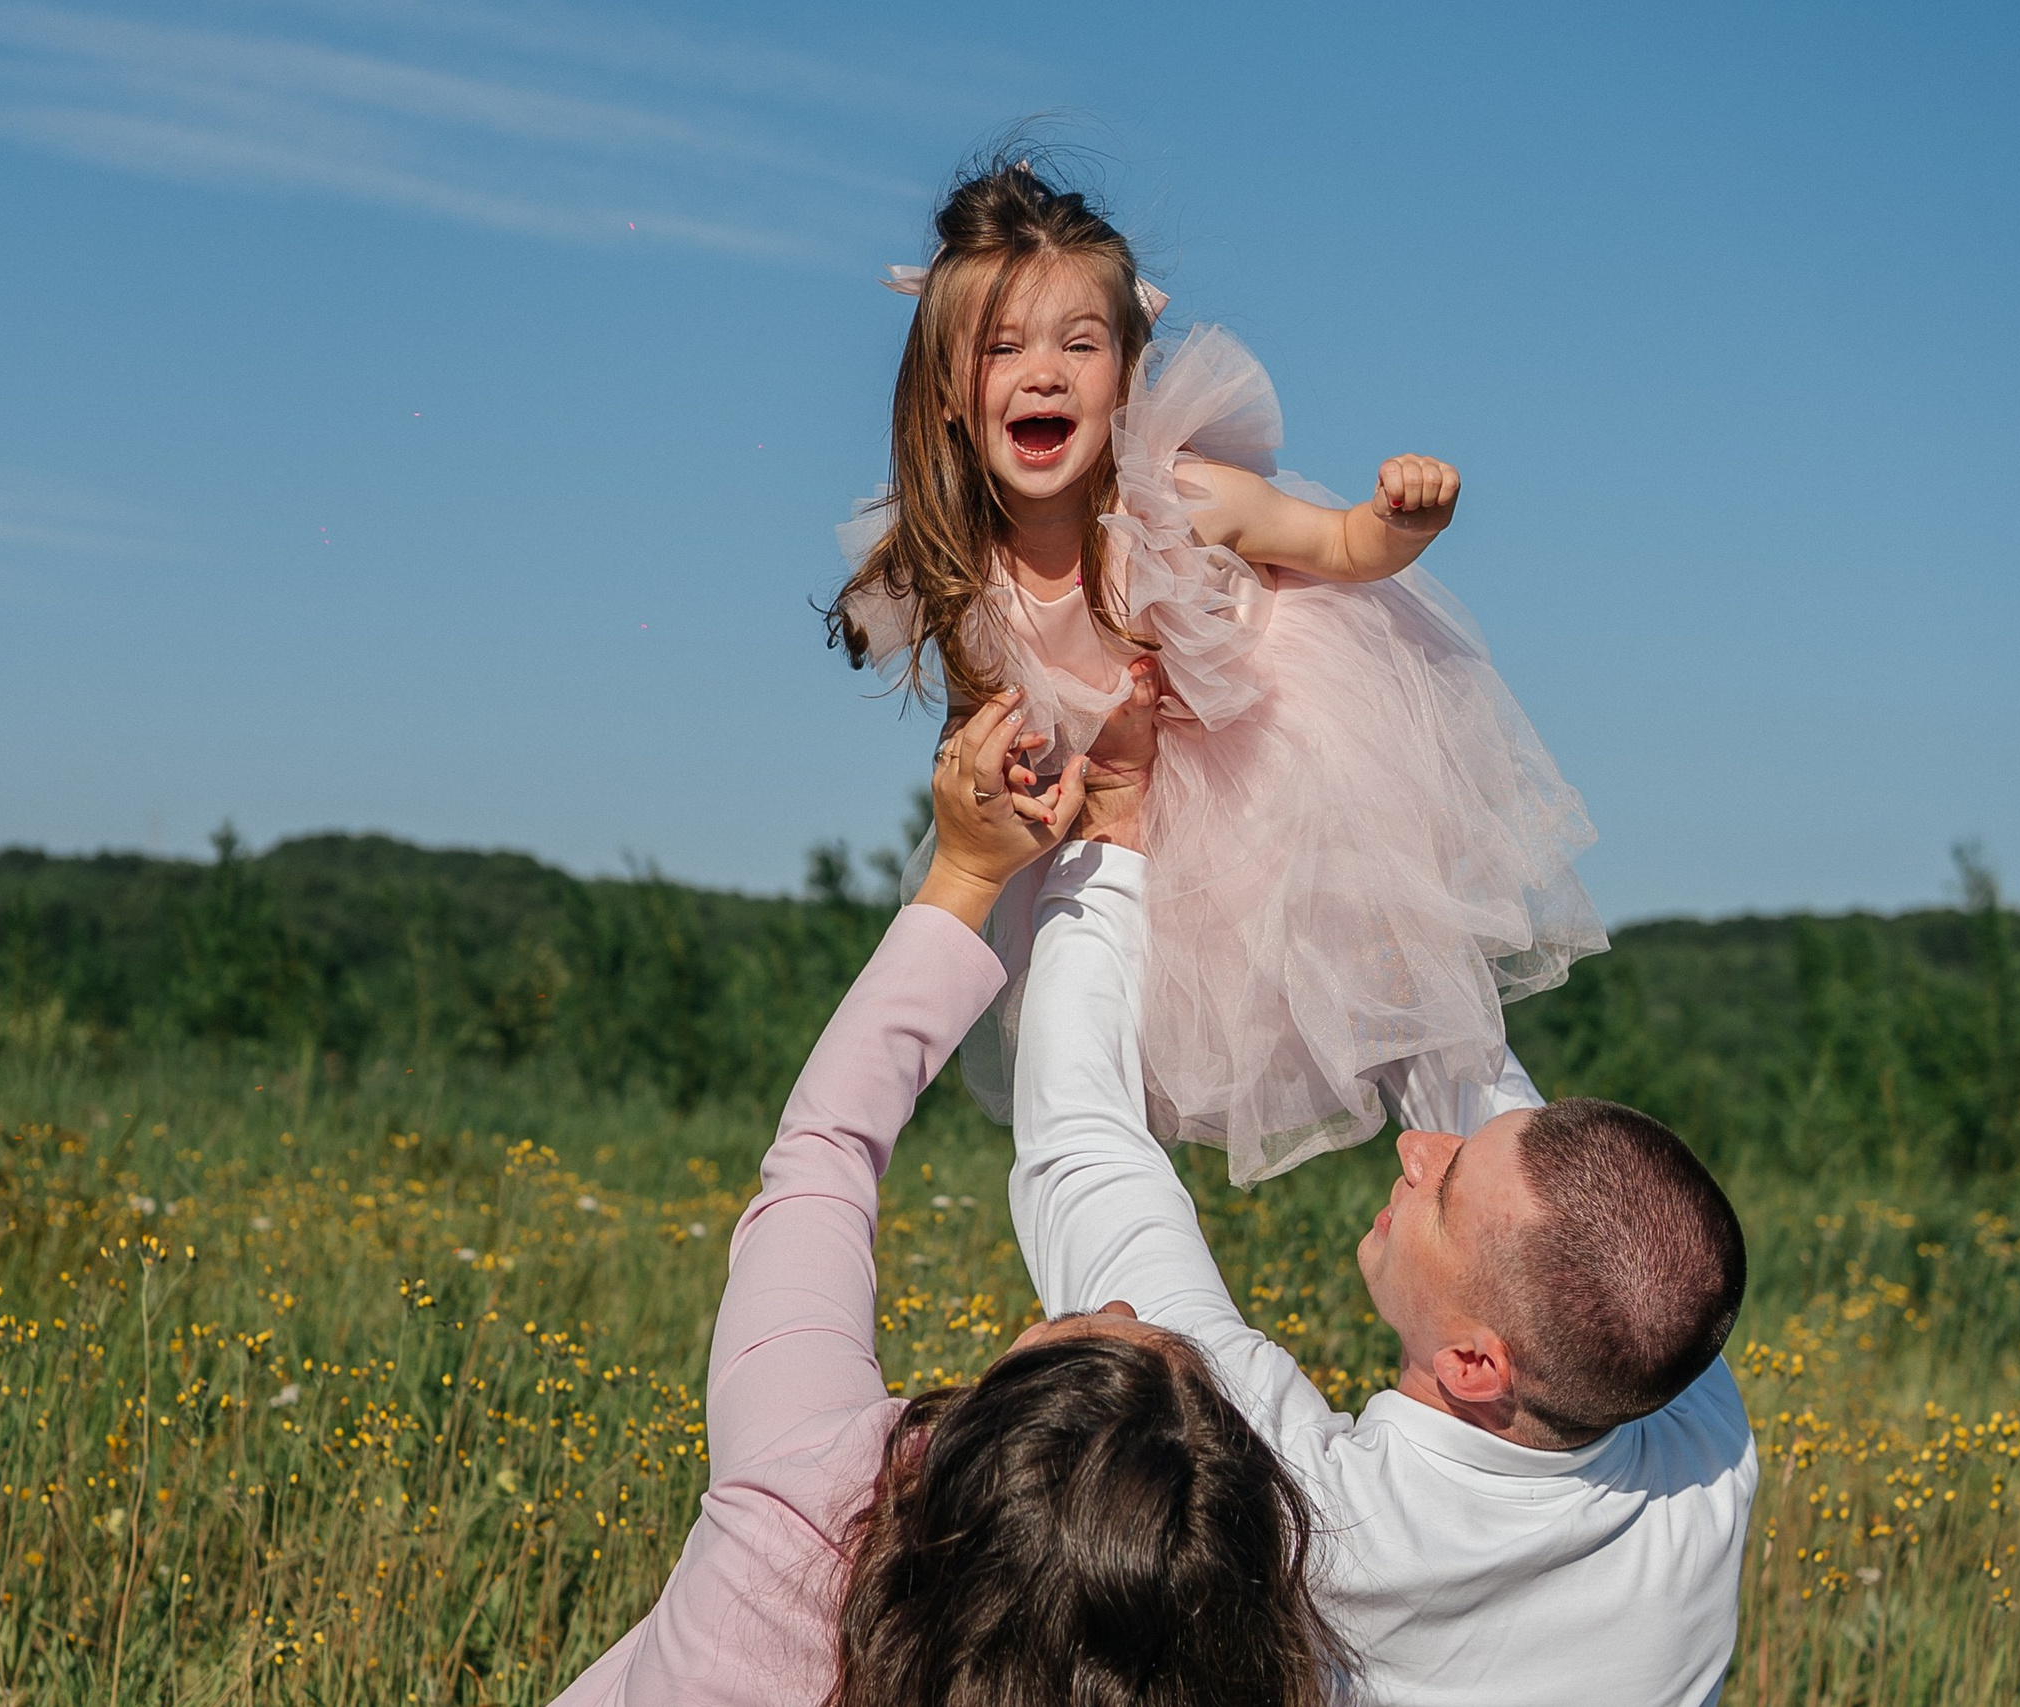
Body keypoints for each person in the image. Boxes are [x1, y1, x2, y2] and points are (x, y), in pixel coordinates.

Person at [548, 696, 1348, 1707]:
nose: (1124, 1307)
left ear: (953, 1465)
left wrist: (964, 876)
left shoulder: (793, 1528)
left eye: (1090, 1341)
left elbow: (821, 1160)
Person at [831, 153, 1607, 1183]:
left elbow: (1336, 549)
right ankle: (1121, 1259)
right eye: (999, 348)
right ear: (945, 397)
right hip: (1136, 809)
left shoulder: (1184, 499)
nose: (1043, 371)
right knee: (1094, 1026)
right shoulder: (960, 578)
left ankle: (1517, 1190)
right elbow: (989, 708)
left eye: (1080, 343)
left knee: (1415, 1013)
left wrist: (1400, 518)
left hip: (1290, 767)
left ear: (1125, 374)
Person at [1005, 687, 1758, 1705]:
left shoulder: (1326, 1526)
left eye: (1443, 1190)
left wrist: (1114, 829)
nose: (1415, 1151)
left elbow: (1086, 1155)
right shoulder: (1699, 1439)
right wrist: (1346, 839)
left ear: (1474, 1362)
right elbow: (1471, 1069)